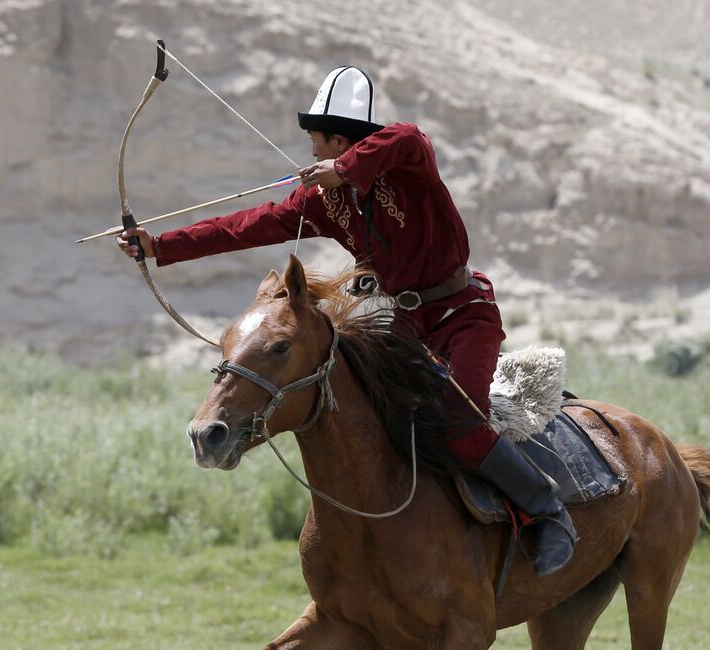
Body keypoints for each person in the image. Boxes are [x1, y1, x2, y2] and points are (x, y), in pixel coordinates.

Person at [116, 66, 576, 576]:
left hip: (463, 316)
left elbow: (407, 136)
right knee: (379, 423)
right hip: (403, 328)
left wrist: (345, 168)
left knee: (457, 421)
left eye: (317, 141)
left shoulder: (406, 164)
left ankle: (548, 513)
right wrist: (160, 246)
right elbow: (245, 226)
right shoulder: (323, 200)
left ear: (339, 140)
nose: (312, 152)